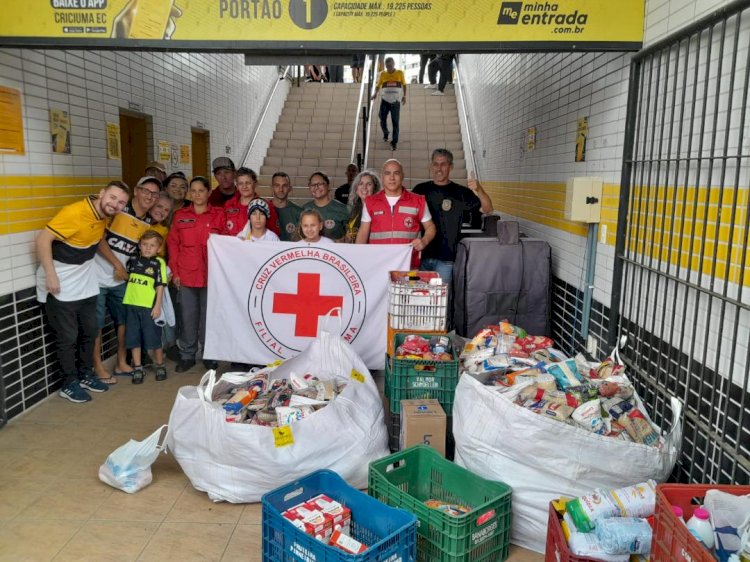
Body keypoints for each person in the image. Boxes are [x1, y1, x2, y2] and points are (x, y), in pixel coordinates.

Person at [35, 181, 130, 403]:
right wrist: (50, 274)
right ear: (102, 193)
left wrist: (117, 263)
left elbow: (98, 241)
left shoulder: (103, 216)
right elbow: (43, 239)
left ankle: (85, 374)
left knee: (90, 329)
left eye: (121, 202)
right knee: (67, 336)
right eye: (113, 198)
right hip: (61, 277)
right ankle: (69, 383)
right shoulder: (75, 212)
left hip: (85, 277)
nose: (115, 204)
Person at [92, 176, 160, 383]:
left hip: (121, 281)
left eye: (154, 194)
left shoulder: (148, 223)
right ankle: (98, 367)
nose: (149, 196)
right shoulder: (117, 210)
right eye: (145, 191)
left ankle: (122, 362)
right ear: (136, 191)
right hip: (96, 275)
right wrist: (117, 264)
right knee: (96, 324)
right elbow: (98, 238)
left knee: (123, 322)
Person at [167, 176, 226, 373]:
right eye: (194, 191)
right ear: (189, 194)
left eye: (202, 190)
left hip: (212, 275)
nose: (197, 194)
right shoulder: (180, 216)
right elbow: (173, 245)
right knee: (188, 316)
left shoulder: (219, 215)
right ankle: (187, 355)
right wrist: (175, 272)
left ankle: (209, 355)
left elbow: (227, 245)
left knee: (209, 318)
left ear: (209, 192)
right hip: (187, 275)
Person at [413, 148, 493, 282]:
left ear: (451, 167)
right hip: (420, 256)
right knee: (419, 297)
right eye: (436, 164)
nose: (439, 168)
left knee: (442, 300)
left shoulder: (461, 193)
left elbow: (488, 209)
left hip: (446, 259)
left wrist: (479, 189)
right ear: (431, 166)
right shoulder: (420, 190)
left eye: (443, 164)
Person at [356, 159, 435, 268]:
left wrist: (424, 241)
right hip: (377, 264)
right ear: (382, 177)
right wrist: (357, 258)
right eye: (387, 173)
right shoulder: (370, 202)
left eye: (396, 173)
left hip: (409, 264)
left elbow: (430, 227)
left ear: (402, 176)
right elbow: (363, 232)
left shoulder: (418, 201)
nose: (392, 178)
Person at [123, 230, 168, 384]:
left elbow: (160, 286)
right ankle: (138, 367)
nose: (148, 248)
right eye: (145, 244)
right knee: (133, 337)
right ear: (139, 245)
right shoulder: (133, 259)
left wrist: (157, 306)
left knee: (153, 337)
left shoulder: (158, 263)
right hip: (131, 304)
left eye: (152, 245)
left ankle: (160, 365)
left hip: (149, 306)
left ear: (158, 248)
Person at [223, 167, 280, 237]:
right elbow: (223, 232)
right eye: (241, 183)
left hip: (256, 247)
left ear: (255, 183)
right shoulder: (228, 205)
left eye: (248, 183)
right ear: (237, 186)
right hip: (232, 246)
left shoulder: (266, 205)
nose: (244, 186)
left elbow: (274, 234)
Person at [371, 57, 406, 151]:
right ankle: (386, 132)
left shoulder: (400, 73)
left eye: (390, 66)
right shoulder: (383, 74)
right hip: (385, 101)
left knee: (395, 122)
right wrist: (375, 94)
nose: (389, 68)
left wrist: (404, 96)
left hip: (395, 102)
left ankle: (394, 142)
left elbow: (404, 84)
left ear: (394, 64)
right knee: (382, 118)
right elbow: (378, 85)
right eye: (387, 67)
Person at [302, 172, 349, 241]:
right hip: (312, 251)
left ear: (328, 186)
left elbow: (349, 236)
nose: (316, 187)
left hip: (335, 251)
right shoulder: (305, 209)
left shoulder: (341, 209)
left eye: (320, 184)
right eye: (313, 185)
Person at [345, 170, 381, 243]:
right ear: (356, 189)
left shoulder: (379, 210)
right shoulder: (353, 209)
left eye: (369, 184)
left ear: (375, 188)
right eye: (361, 184)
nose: (364, 187)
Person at [270, 172, 302, 241]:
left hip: (290, 251)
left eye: (284, 186)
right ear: (272, 188)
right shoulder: (264, 210)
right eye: (277, 185)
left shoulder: (299, 212)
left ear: (290, 188)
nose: (281, 189)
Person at [148, 192, 174, 257]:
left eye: (166, 210)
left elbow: (160, 255)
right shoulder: (139, 221)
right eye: (159, 206)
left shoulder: (164, 231)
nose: (162, 212)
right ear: (151, 204)